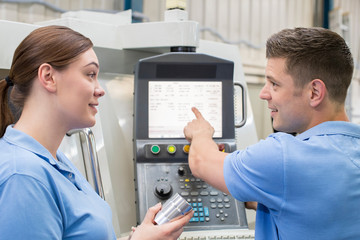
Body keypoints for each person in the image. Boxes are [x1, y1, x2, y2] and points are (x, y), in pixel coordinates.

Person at [0, 25, 192, 240]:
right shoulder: (23, 177)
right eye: (90, 74)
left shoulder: (55, 162)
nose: (100, 89)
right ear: (48, 77)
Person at [184, 27, 360, 239]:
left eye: (274, 84)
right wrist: (254, 193)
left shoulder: (283, 155)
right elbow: (316, 206)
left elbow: (200, 161)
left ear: (314, 92)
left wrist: (201, 134)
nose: (263, 93)